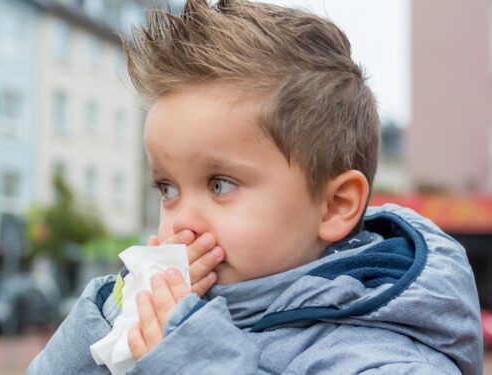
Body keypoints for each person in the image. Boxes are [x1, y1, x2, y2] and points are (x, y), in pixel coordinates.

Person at [27, 0, 482, 373]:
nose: (180, 220)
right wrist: (112, 318)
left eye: (220, 184)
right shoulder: (174, 324)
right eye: (166, 189)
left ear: (334, 207)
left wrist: (192, 361)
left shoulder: (388, 358)